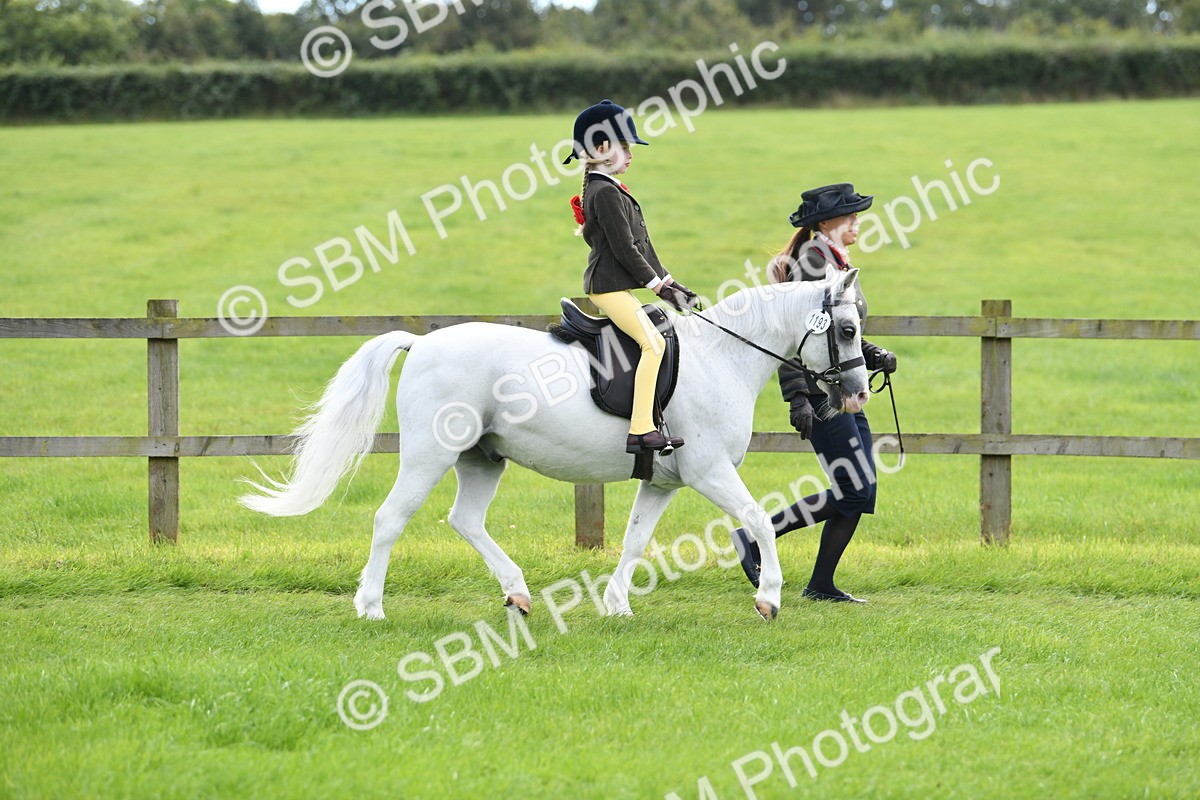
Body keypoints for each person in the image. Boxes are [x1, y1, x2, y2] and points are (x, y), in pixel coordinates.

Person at [731, 183, 898, 603]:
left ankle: (821, 584)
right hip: (820, 392)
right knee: (854, 490)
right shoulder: (812, 263)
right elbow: (793, 335)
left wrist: (871, 352)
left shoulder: (834, 261)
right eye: (851, 215)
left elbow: (839, 332)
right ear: (826, 223)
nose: (858, 221)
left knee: (861, 491)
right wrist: (798, 398)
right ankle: (754, 539)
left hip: (842, 385)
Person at [565, 99, 699, 454]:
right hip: (606, 288)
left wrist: (669, 282)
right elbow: (625, 250)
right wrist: (657, 287)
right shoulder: (605, 192)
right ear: (601, 149)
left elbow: (643, 245)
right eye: (624, 147)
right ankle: (641, 428)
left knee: (654, 341)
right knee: (652, 344)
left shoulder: (610, 188)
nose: (630, 154)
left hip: (615, 286)